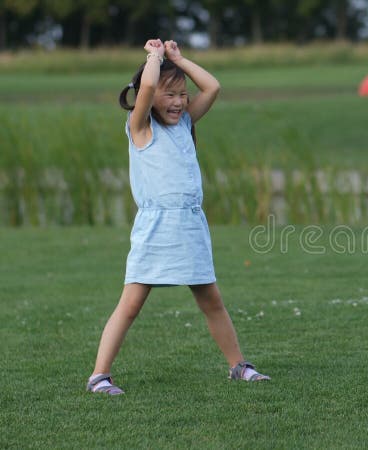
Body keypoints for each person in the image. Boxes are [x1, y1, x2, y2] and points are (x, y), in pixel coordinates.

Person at [86, 39, 270, 395]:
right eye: (169, 95)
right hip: (156, 228)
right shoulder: (140, 127)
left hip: (189, 226)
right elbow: (150, 83)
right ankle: (99, 376)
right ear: (148, 97)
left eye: (182, 94)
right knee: (131, 305)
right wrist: (154, 57)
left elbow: (213, 86)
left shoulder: (183, 123)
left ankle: (238, 366)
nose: (178, 102)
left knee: (211, 300)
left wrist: (179, 60)